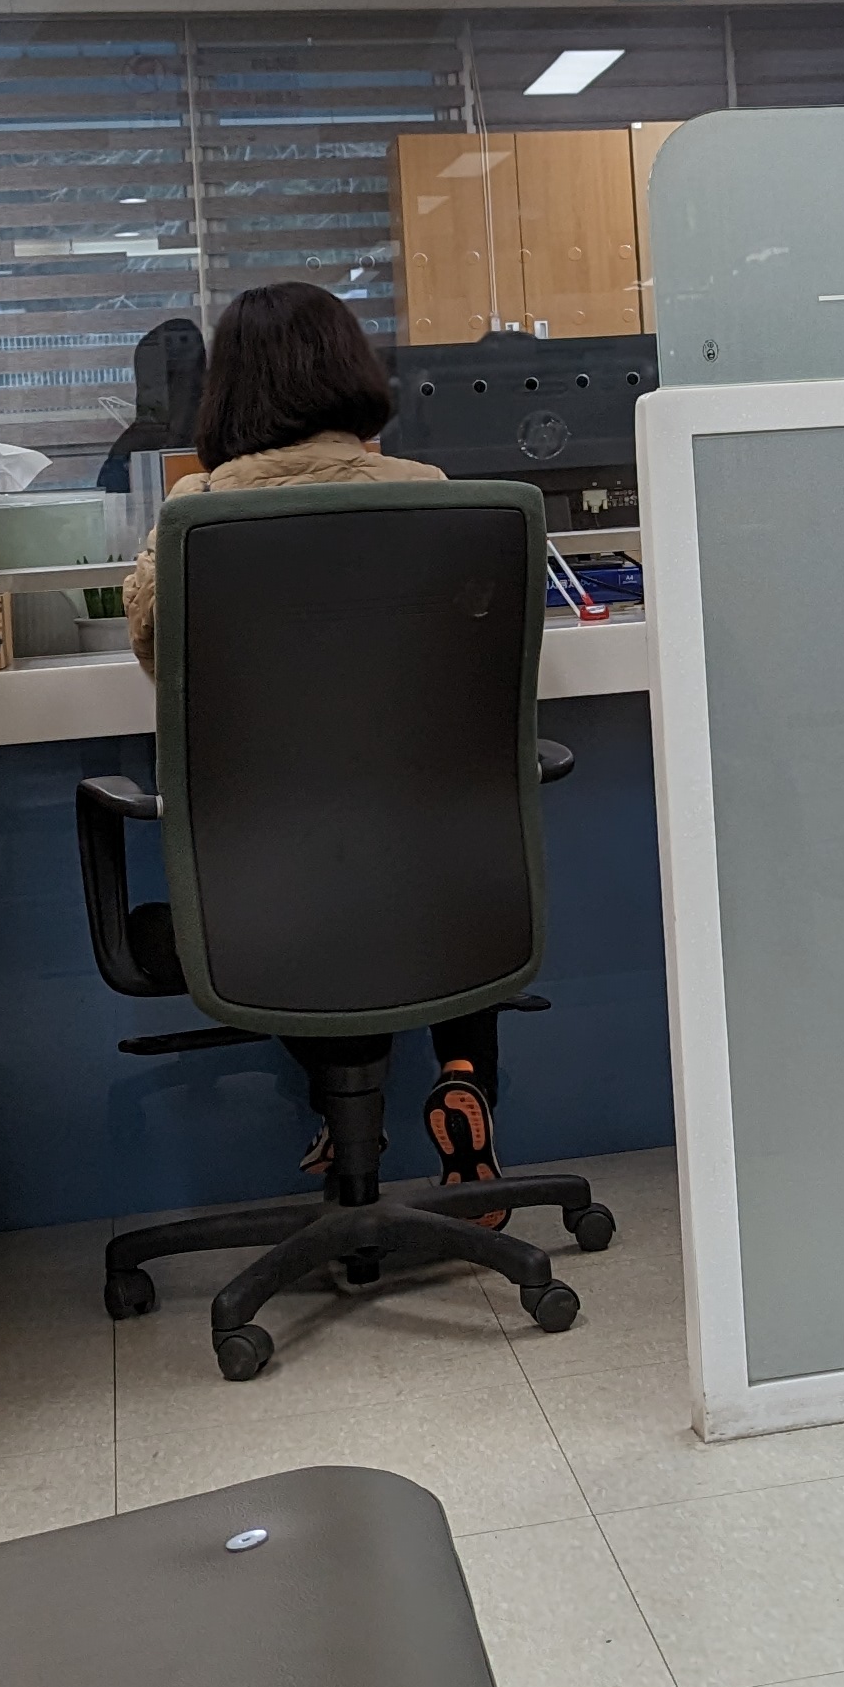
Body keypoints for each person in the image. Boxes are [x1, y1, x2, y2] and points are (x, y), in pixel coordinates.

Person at [121, 283, 509, 1216]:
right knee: (442, 849)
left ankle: (345, 1114)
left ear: (226, 393)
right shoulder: (430, 494)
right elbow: (478, 645)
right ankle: (462, 1075)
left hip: (265, 891)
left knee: (298, 882)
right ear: (352, 373)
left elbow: (157, 655)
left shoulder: (197, 513)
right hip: (435, 873)